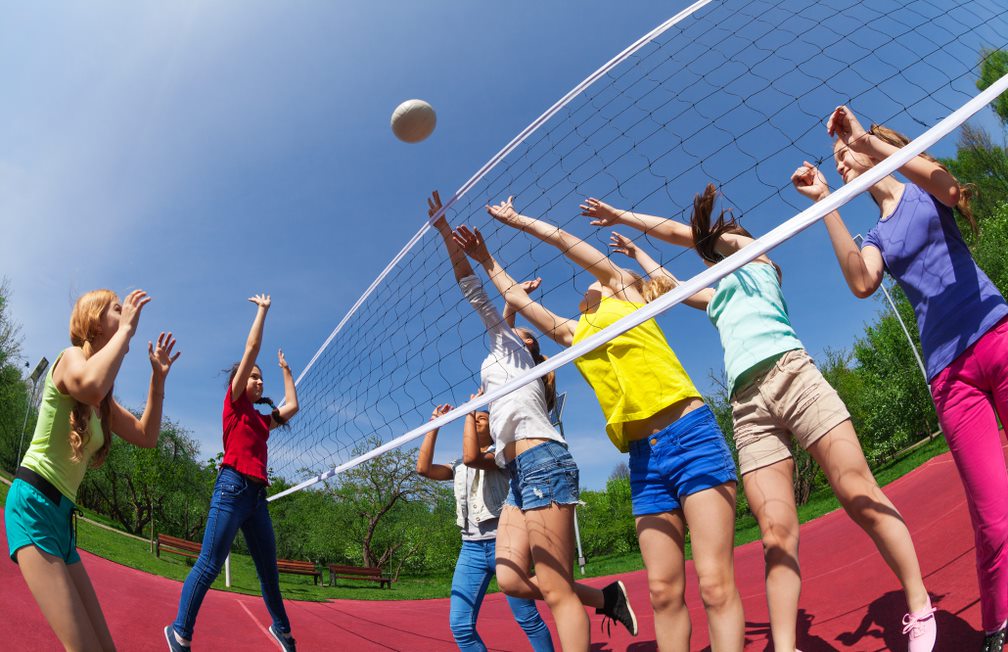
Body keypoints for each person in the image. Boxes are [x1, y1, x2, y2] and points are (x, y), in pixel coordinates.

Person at [585, 187, 936, 651]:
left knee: (855, 489)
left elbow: (695, 236)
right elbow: (668, 285)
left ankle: (919, 603)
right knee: (774, 534)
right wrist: (635, 251)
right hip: (747, 407)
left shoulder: (758, 260)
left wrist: (623, 215)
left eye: (719, 240)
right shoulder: (716, 295)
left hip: (793, 376)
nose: (716, 245)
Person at [454, 196, 744, 651]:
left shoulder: (625, 291)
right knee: (664, 592)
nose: (586, 287)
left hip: (689, 434)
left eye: (595, 281)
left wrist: (520, 219)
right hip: (644, 457)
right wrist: (487, 257)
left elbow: (567, 242)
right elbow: (514, 298)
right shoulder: (574, 334)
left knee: (714, 583)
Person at [792, 104, 1008, 650]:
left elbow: (951, 188)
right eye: (838, 161)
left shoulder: (919, 185)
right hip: (950, 377)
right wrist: (826, 206)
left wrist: (864, 140)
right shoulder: (877, 236)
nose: (842, 165)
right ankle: (1001, 629)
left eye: (846, 157)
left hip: (998, 336)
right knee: (993, 515)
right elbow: (862, 283)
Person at [428, 191, 636, 652]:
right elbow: (500, 312)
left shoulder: (521, 358)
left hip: (542, 462)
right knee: (510, 579)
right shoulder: (503, 361)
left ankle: (591, 602)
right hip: (521, 475)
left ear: (526, 349)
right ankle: (604, 597)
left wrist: (452, 239)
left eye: (520, 332)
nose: (514, 329)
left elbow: (478, 295)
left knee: (555, 587)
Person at [5, 289, 180, 651]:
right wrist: (127, 331)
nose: (127, 311)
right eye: (118, 309)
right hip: (33, 506)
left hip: (62, 520)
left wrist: (157, 380)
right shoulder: (71, 359)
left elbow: (146, 436)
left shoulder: (103, 402)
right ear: (96, 322)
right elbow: (89, 384)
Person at [166, 294, 300, 652]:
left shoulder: (260, 420)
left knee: (269, 574)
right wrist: (262, 311)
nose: (258, 381)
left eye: (261, 379)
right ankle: (180, 632)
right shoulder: (234, 401)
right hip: (232, 487)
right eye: (253, 376)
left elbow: (293, 406)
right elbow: (252, 347)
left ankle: (283, 631)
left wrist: (286, 370)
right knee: (209, 564)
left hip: (257, 498)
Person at [416, 400, 554, 652]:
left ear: (493, 427)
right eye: (473, 417)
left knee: (527, 619)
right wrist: (433, 426)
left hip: (506, 543)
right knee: (460, 625)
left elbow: (473, 458)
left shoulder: (501, 455)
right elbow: (423, 469)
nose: (475, 419)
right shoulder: (457, 465)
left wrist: (470, 410)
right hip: (470, 549)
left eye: (481, 417)